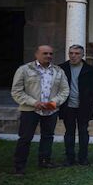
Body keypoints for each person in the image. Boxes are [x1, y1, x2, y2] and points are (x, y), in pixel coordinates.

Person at [11, 45, 69, 174]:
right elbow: (16, 91)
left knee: (48, 136)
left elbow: (64, 90)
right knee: (25, 138)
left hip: (51, 110)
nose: (48, 56)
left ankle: (44, 161)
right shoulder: (24, 69)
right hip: (30, 110)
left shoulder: (58, 71)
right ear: (36, 54)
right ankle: (19, 166)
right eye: (45, 53)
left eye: (51, 54)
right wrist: (34, 103)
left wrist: (54, 103)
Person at [58, 44, 93, 166]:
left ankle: (83, 158)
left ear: (83, 55)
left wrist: (90, 102)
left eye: (77, 53)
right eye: (71, 53)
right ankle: (69, 158)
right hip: (67, 106)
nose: (73, 56)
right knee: (69, 132)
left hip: (84, 107)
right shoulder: (61, 68)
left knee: (83, 132)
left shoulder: (89, 70)